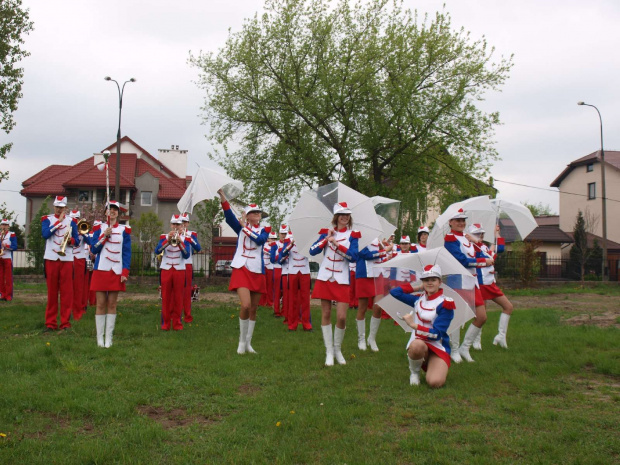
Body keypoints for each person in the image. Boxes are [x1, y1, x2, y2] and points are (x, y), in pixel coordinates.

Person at [218, 189, 270, 354]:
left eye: (258, 212)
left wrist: (245, 228)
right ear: (247, 216)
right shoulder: (240, 227)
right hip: (242, 268)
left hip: (257, 269)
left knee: (254, 308)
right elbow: (229, 216)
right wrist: (223, 198)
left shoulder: (265, 230)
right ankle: (241, 342)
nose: (257, 214)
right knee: (246, 305)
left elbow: (260, 240)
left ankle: (248, 343)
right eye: (253, 212)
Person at [309, 202, 360, 366]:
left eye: (347, 214)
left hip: (342, 278)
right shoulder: (326, 232)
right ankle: (329, 351)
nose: (345, 217)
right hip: (325, 278)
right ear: (336, 217)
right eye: (342, 214)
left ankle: (337, 349)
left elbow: (354, 256)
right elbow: (312, 250)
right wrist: (326, 239)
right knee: (325, 314)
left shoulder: (353, 235)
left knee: (342, 317)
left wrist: (337, 245)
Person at [391, 264, 455, 387]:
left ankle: (433, 363)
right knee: (416, 345)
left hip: (438, 345)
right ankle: (414, 373)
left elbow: (436, 334)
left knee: (435, 382)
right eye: (426, 280)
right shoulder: (418, 299)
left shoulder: (446, 304)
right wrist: (417, 288)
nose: (429, 283)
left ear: (440, 282)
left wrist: (413, 325)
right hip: (420, 343)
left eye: (433, 280)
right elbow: (395, 292)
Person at [443, 208, 493, 363]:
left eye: (463, 220)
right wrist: (483, 262)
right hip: (458, 281)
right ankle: (455, 350)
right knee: (456, 318)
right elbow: (461, 261)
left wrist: (477, 242)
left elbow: (480, 255)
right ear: (450, 222)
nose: (461, 223)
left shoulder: (467, 237)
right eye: (457, 220)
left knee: (482, 317)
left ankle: (465, 347)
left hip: (472, 281)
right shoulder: (450, 238)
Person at [90, 201, 131, 347]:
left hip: (116, 271)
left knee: (112, 304)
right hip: (101, 269)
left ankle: (109, 338)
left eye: (115, 209)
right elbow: (93, 250)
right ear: (106, 212)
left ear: (118, 213)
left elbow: (127, 253)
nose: (112, 211)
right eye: (110, 209)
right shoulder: (98, 228)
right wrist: (103, 236)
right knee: (100, 304)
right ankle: (100, 339)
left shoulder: (124, 230)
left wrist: (125, 271)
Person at [467, 224, 513, 349]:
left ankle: (501, 336)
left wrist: (496, 234)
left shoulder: (483, 247)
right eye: (476, 234)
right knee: (482, 315)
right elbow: (485, 259)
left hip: (491, 284)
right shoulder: (471, 248)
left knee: (508, 307)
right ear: (470, 235)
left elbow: (501, 248)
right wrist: (489, 253)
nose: (480, 236)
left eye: (481, 233)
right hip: (480, 285)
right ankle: (476, 340)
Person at [41, 196, 79, 332]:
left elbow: (77, 240)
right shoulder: (47, 219)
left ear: (65, 208)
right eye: (57, 206)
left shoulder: (72, 221)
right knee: (52, 292)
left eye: (61, 207)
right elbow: (45, 234)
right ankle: (50, 323)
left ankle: (65, 323)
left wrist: (71, 241)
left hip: (66, 259)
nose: (59, 209)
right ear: (54, 206)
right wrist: (58, 223)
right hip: (51, 258)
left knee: (66, 293)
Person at [355, 237, 392, 351]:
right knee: (362, 307)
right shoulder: (358, 236)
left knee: (378, 307)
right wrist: (384, 251)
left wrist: (384, 247)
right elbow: (366, 254)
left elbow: (381, 253)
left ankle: (372, 338)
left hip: (377, 273)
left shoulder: (377, 237)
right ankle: (361, 339)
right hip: (364, 274)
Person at [155, 214, 190, 332]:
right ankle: (165, 323)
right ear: (170, 225)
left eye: (178, 224)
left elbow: (186, 255)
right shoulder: (163, 237)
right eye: (174, 224)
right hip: (166, 269)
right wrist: (167, 241)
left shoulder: (186, 238)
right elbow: (157, 251)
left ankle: (177, 323)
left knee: (178, 298)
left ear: (181, 226)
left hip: (179, 269)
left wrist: (180, 243)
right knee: (165, 297)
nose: (175, 226)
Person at [277, 234, 312, 331]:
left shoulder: (307, 239)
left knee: (305, 300)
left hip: (305, 271)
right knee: (292, 299)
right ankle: (292, 324)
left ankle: (307, 324)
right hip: (292, 272)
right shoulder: (288, 239)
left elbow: (312, 252)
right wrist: (291, 244)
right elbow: (283, 254)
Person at [180, 213, 201, 323]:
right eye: (181, 222)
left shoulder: (192, 234)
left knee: (187, 290)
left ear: (188, 223)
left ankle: (187, 315)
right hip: (176, 264)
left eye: (185, 222)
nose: (183, 224)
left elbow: (197, 248)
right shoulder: (173, 233)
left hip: (187, 263)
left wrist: (187, 237)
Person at [69, 209, 88, 321]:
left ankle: (78, 309)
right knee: (68, 286)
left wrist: (83, 233)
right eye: (72, 218)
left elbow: (90, 242)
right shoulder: (67, 228)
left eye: (76, 218)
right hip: (68, 258)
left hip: (80, 259)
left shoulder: (83, 228)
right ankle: (69, 309)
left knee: (79, 287)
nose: (74, 221)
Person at [0, 218, 18, 301]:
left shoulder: (12, 234)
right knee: (0, 277)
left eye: (6, 225)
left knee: (8, 278)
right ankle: (2, 294)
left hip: (7, 258)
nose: (4, 226)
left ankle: (8, 296)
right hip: (0, 258)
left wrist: (6, 246)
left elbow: (14, 247)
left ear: (8, 226)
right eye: (3, 224)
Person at [259, 231, 276, 308]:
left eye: (274, 238)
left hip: (270, 267)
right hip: (263, 267)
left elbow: (274, 254)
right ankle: (262, 302)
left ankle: (270, 302)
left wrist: (267, 251)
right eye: (271, 238)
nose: (272, 240)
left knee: (270, 286)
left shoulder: (275, 246)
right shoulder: (264, 244)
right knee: (262, 285)